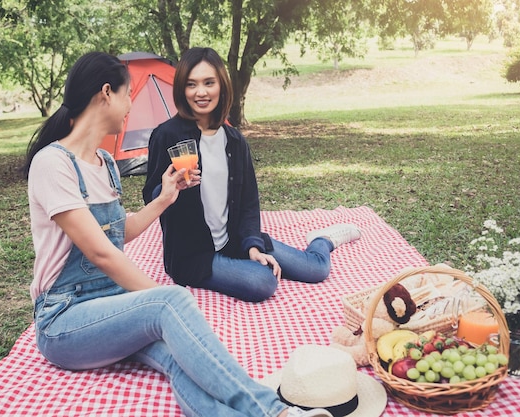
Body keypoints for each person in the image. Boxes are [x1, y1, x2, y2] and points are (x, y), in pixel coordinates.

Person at [22, 51, 333, 417]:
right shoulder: (53, 163)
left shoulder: (105, 163)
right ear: (106, 93)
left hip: (112, 305)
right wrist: (166, 300)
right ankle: (277, 412)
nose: (129, 106)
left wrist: (165, 198)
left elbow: (121, 232)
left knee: (179, 358)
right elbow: (101, 254)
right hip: (65, 318)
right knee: (172, 303)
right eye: (127, 96)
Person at [143, 47, 361, 303]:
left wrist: (253, 247)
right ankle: (237, 265)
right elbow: (151, 198)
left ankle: (323, 239)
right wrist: (169, 190)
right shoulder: (166, 136)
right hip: (193, 256)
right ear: (182, 89)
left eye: (208, 83)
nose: (200, 92)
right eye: (191, 84)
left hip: (235, 241)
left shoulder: (235, 140)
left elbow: (248, 203)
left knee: (316, 269)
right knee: (262, 282)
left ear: (221, 87)